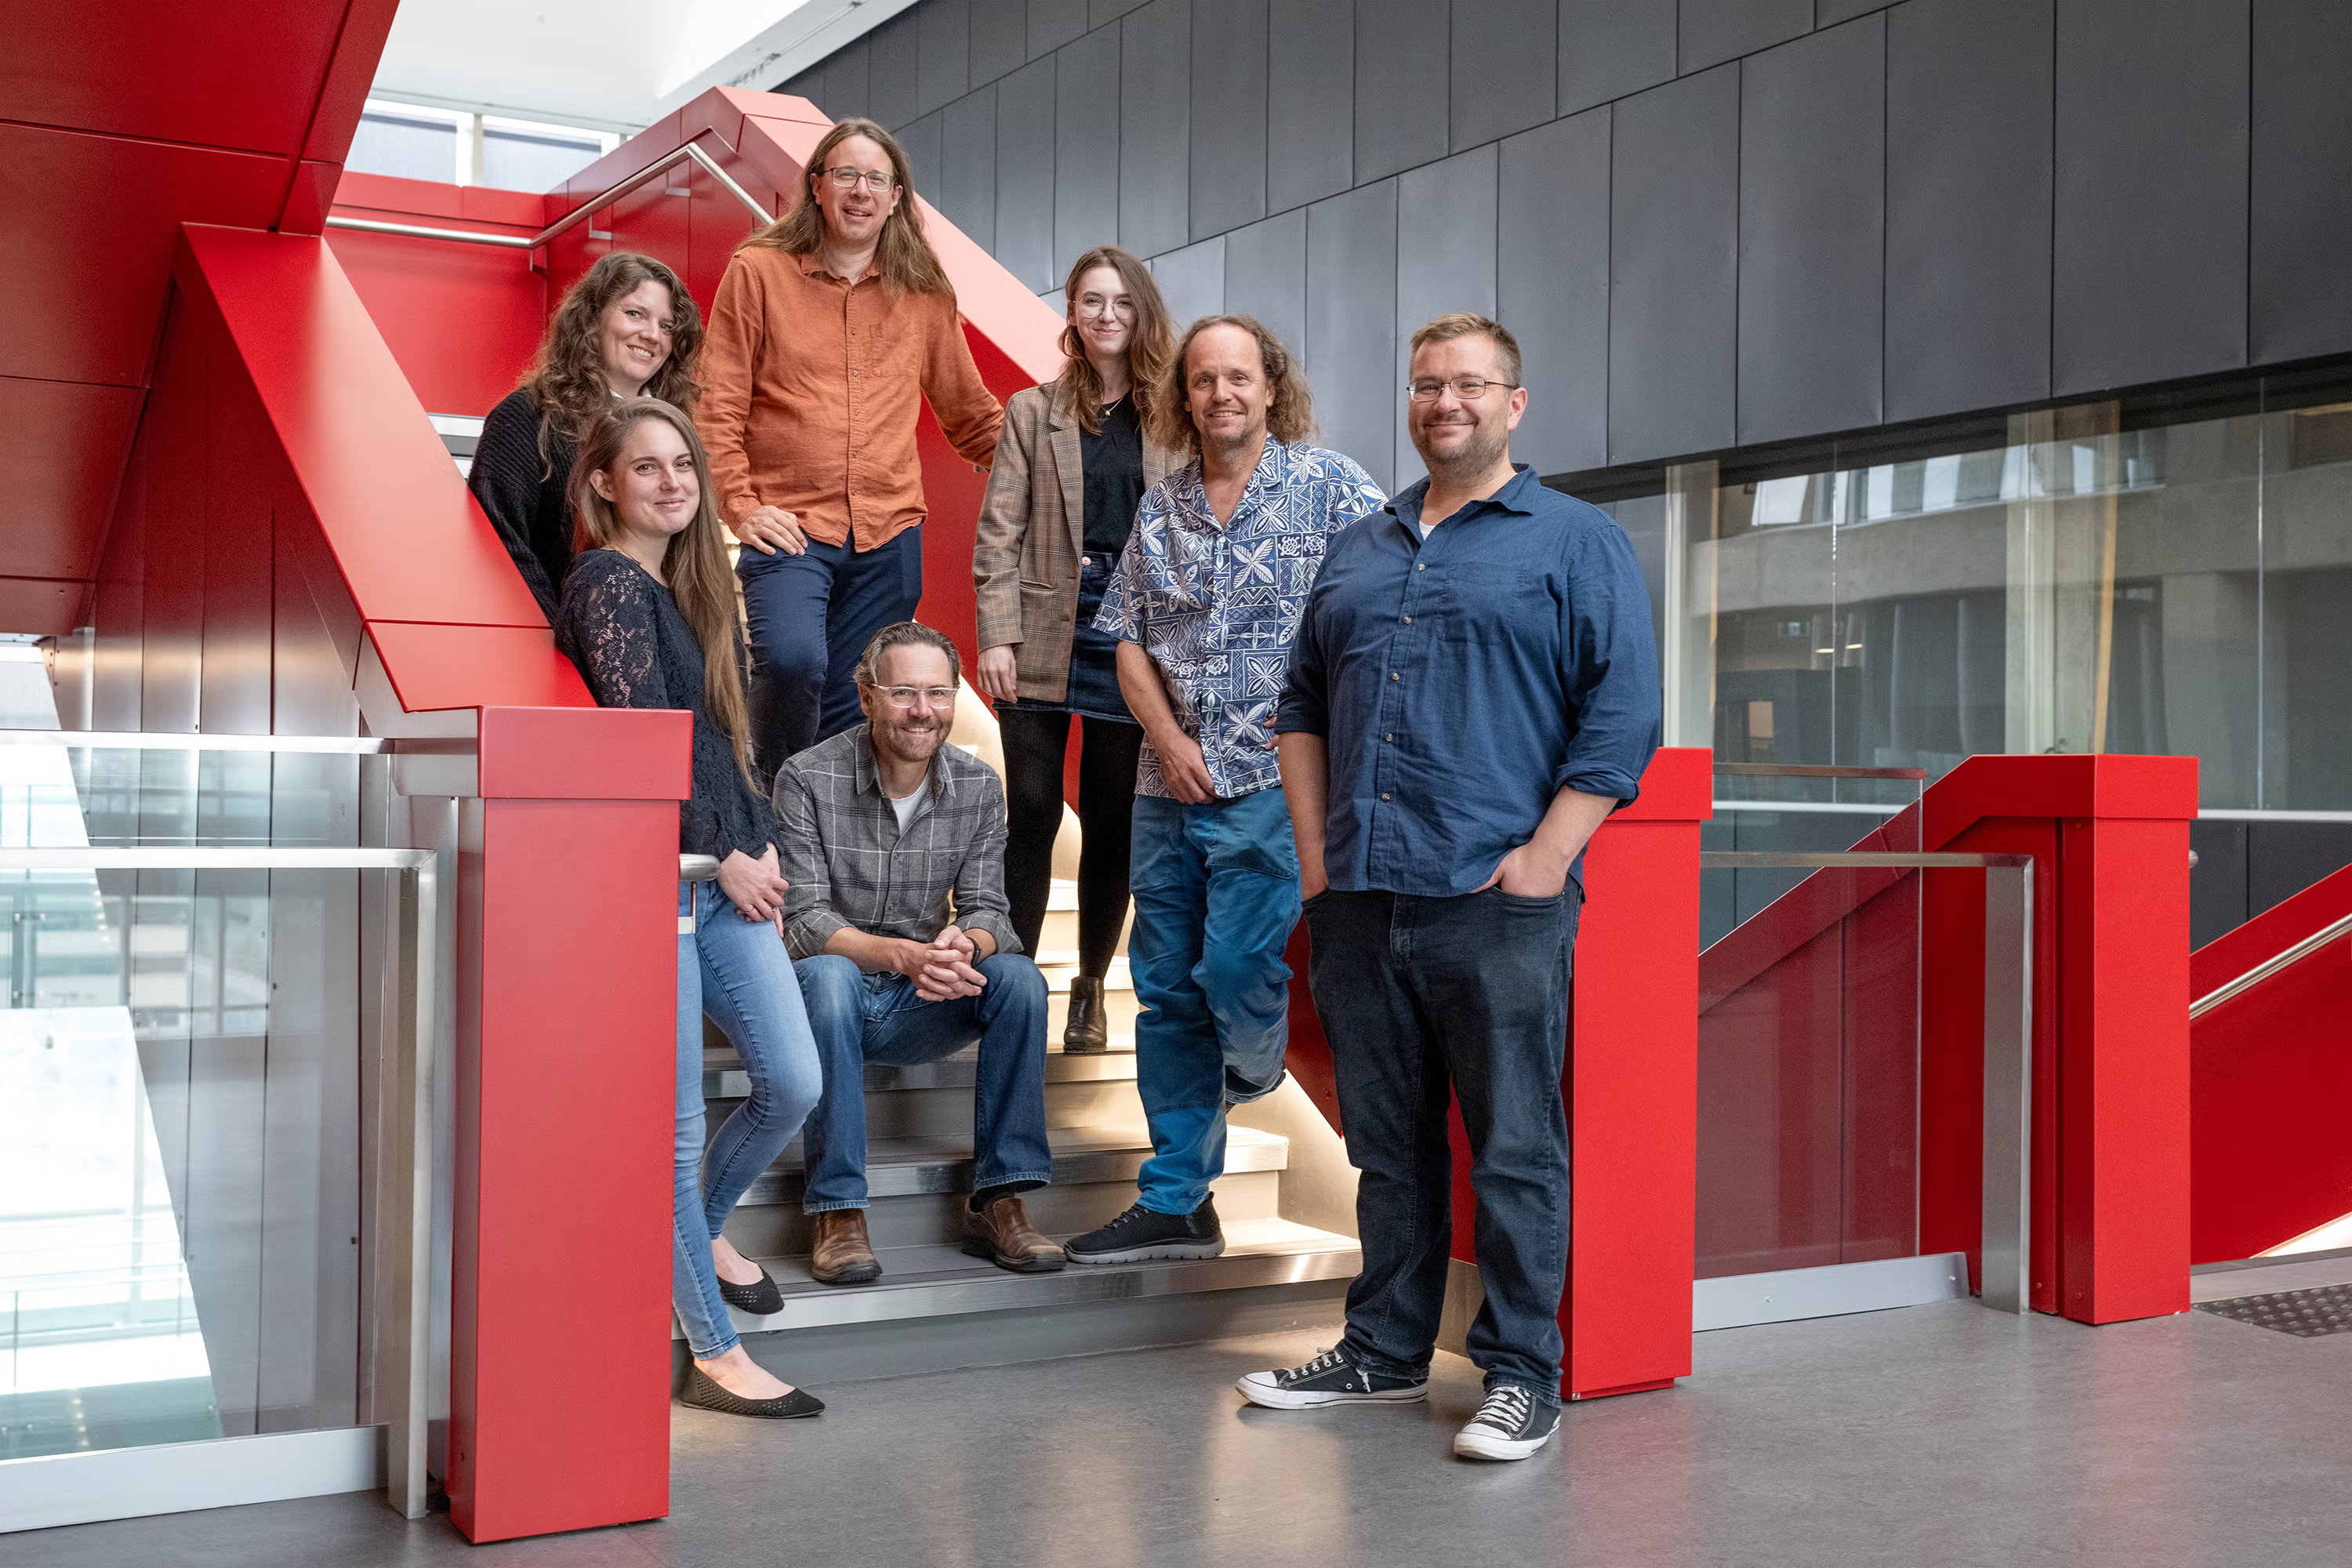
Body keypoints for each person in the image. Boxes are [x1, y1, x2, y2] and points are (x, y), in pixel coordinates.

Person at [1250, 314, 1661, 1463]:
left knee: (1516, 1145)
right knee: (1389, 1146)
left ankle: (1523, 1372)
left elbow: (1622, 717)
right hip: (1359, 899)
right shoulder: (1361, 545)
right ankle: (1383, 1346)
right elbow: (1298, 704)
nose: (1446, 403)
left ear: (1514, 404)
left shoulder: (1576, 542)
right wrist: (1317, 856)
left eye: (1471, 386)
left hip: (1496, 901)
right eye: (1429, 386)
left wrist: (1544, 862)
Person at [1062, 317, 1385, 1268]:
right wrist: (1165, 736)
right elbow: (1124, 638)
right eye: (1204, 380)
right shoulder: (1160, 509)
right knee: (1163, 990)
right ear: (1185, 395)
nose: (1221, 394)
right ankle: (1176, 1197)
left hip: (1274, 780)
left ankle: (1249, 1069)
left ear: (1270, 388)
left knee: (1238, 970)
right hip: (1165, 786)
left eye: (1238, 377)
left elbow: (1395, 592)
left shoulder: (1333, 487)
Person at [554, 399, 826, 1421]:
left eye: (684, 466)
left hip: (721, 874)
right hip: (662, 889)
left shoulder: (685, 592)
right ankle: (712, 1350)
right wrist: (724, 860)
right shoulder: (608, 585)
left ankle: (699, 1229)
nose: (672, 482)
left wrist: (760, 841)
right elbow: (640, 749)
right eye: (647, 467)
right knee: (671, 1133)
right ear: (605, 486)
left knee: (791, 1082)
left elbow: (717, 747)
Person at [701, 117, 1004, 776]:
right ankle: (767, 806)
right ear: (817, 187)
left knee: (851, 697)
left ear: (897, 197)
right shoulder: (758, 273)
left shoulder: (923, 294)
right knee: (791, 661)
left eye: (877, 178)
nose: (861, 190)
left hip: (889, 535)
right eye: (846, 175)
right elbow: (718, 405)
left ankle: (818, 838)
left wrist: (1067, 450)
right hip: (789, 527)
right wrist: (742, 507)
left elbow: (970, 415)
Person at [773, 622, 1060, 1285]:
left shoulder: (980, 785)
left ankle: (999, 1199)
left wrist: (965, 945)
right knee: (827, 977)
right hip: (831, 999)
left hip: (920, 1000)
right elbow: (804, 919)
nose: (922, 711)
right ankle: (837, 1210)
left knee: (1017, 978)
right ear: (868, 696)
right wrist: (903, 956)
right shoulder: (807, 778)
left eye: (938, 693)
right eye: (904, 692)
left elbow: (991, 910)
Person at [971, 245, 1178, 1053]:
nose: (1106, 316)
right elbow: (999, 530)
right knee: (1029, 807)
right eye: (1091, 301)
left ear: (1142, 312)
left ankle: (1090, 984)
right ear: (1071, 312)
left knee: (1113, 814)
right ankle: (1018, 987)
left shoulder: (1173, 415)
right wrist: (996, 631)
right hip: (1044, 617)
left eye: (1121, 302)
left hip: (1136, 626)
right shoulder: (1033, 409)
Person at [472, 252, 702, 620]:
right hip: (560, 648)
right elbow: (499, 541)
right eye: (635, 314)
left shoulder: (677, 432)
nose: (652, 335)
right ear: (593, 318)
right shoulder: (529, 416)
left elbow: (691, 557)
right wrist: (562, 639)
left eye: (668, 325)